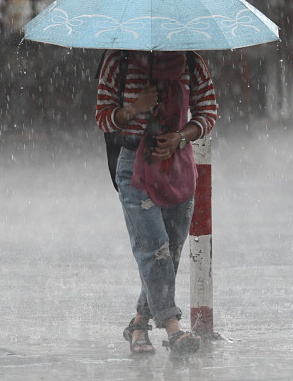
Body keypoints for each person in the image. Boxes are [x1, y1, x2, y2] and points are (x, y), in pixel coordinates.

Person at [96, 50, 218, 357]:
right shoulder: (119, 61)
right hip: (134, 167)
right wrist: (136, 108)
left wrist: (181, 136)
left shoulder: (191, 62)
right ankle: (174, 329)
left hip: (178, 166)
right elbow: (103, 117)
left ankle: (139, 324)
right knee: (154, 248)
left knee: (171, 250)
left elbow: (208, 112)